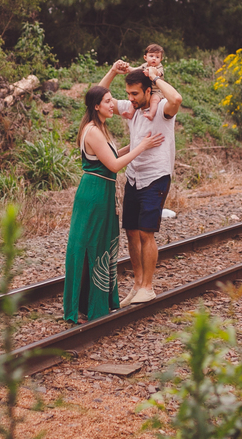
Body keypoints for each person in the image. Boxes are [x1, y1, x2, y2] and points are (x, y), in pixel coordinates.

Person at [63, 85, 164, 324]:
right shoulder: (93, 131)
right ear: (96, 106)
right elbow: (115, 166)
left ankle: (95, 303)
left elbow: (112, 156)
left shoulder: (101, 128)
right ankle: (85, 305)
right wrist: (141, 148)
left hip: (103, 192)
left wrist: (136, 144)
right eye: (108, 101)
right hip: (94, 193)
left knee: (102, 246)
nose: (113, 104)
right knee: (90, 245)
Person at [99, 59, 182, 304]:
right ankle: (137, 285)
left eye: (135, 93)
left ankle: (148, 286)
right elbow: (97, 97)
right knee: (131, 232)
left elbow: (176, 99)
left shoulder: (164, 109)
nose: (131, 98)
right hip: (134, 176)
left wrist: (155, 78)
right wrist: (113, 71)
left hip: (156, 176)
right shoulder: (132, 108)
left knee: (147, 233)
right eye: (128, 93)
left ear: (148, 90)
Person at [128, 44, 166, 121]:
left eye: (157, 57)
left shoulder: (159, 67)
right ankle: (130, 113)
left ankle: (151, 114)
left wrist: (153, 73)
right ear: (145, 57)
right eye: (151, 56)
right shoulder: (144, 65)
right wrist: (127, 68)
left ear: (161, 59)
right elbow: (135, 70)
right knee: (136, 99)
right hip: (146, 90)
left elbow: (159, 73)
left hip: (157, 90)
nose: (154, 59)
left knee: (154, 100)